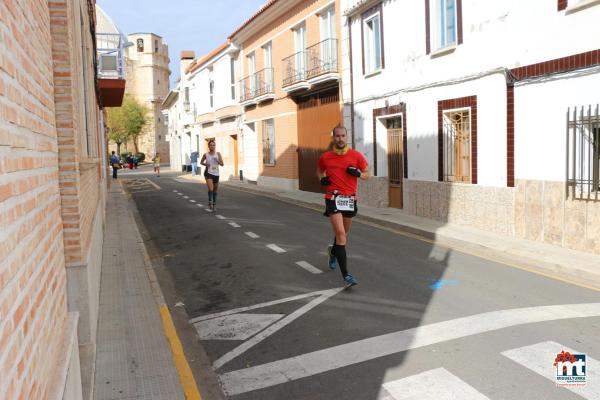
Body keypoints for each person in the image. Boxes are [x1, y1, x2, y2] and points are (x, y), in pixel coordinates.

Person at [317, 125, 369, 288]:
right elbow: (319, 171)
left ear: (347, 137)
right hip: (333, 198)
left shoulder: (356, 156)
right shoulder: (326, 157)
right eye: (337, 136)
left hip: (349, 199)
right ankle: (346, 276)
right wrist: (321, 179)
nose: (340, 139)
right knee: (340, 233)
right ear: (333, 138)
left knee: (343, 235)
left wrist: (359, 174)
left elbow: (368, 174)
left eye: (343, 136)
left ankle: (333, 252)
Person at [200, 140, 223, 211]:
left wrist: (217, 161)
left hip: (216, 173)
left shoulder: (218, 154)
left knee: (215, 190)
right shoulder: (205, 154)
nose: (212, 146)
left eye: (213, 145)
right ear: (208, 146)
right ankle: (210, 202)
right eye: (211, 145)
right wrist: (205, 164)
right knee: (211, 189)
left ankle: (214, 204)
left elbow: (222, 164)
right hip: (208, 173)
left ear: (215, 146)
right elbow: (201, 162)